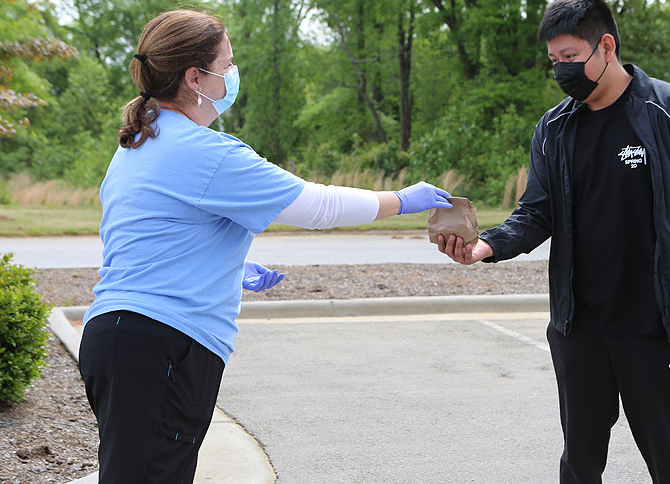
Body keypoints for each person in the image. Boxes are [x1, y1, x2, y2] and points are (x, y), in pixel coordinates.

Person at [78, 9, 453, 484]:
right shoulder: (206, 153)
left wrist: (226, 265)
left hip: (119, 339)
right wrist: (400, 200)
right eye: (227, 64)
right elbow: (318, 206)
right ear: (195, 77)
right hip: (161, 348)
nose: (233, 75)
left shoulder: (140, 142)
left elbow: (146, 240)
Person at [437, 1, 670, 482]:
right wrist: (484, 246)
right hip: (579, 330)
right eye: (554, 61)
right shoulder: (554, 129)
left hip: (655, 329)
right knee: (579, 462)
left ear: (606, 46)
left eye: (570, 56)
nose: (561, 70)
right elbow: (536, 212)